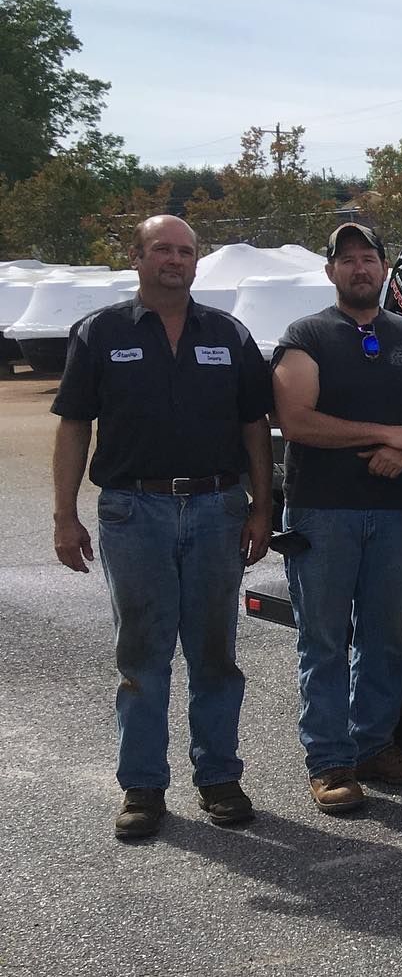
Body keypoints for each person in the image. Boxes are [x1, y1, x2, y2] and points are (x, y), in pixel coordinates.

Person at [51, 214, 274, 840]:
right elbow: (73, 425)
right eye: (162, 250)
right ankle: (143, 786)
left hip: (215, 508)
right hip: (133, 511)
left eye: (185, 251)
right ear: (138, 257)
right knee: (142, 657)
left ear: (196, 263)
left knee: (215, 653)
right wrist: (64, 517)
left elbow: (253, 424)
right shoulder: (98, 334)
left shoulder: (228, 334)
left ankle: (219, 777)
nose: (174, 260)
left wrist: (262, 505)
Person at [271, 222, 402, 814]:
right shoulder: (306, 337)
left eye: (369, 259)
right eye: (347, 260)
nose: (360, 269)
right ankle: (329, 763)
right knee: (324, 640)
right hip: (322, 512)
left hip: (392, 512)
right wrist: (387, 431)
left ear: (384, 269)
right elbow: (297, 421)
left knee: (383, 638)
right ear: (331, 272)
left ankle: (375, 746)